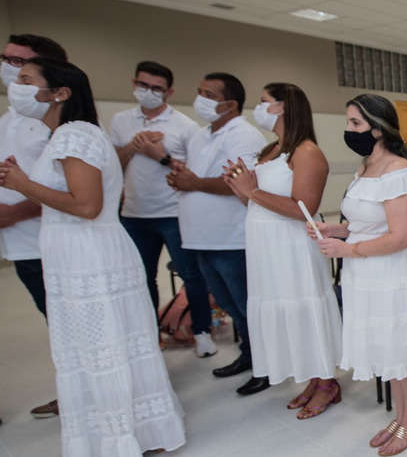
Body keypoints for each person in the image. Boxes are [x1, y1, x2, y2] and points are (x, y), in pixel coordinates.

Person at [0, 58, 185, 457]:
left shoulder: (74, 136)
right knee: (103, 345)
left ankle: (124, 438)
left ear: (60, 93)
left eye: (27, 80)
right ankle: (132, 432)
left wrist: (23, 184)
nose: (16, 86)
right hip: (78, 252)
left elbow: (87, 205)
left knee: (104, 346)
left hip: (89, 255)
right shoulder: (70, 135)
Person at [313, 94, 407, 454]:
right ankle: (401, 417)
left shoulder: (399, 171)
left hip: (390, 271)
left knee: (401, 345)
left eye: (355, 124)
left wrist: (347, 249)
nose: (348, 130)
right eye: (348, 123)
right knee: (387, 347)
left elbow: (400, 236)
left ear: (378, 129)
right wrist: (338, 231)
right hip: (363, 272)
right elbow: (364, 222)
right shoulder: (365, 167)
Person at [223, 82, 341, 411]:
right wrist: (237, 185)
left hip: (292, 246)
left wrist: (252, 191)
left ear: (283, 107)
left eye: (264, 102)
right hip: (266, 245)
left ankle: (327, 382)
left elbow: (301, 207)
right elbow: (256, 201)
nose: (258, 108)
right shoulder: (271, 149)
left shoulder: (307, 152)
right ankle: (311, 377)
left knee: (303, 308)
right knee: (283, 308)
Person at [0, 34, 68, 420]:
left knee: (68, 326)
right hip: (20, 246)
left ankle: (82, 393)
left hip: (46, 243)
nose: (9, 68)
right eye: (7, 59)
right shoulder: (9, 117)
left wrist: (12, 213)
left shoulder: (58, 125)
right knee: (57, 327)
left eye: (21, 65)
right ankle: (73, 390)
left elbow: (71, 190)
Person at [168, 73, 266, 390]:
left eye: (209, 94)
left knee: (247, 304)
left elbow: (240, 183)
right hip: (201, 237)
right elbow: (194, 175)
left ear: (230, 104)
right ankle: (249, 355)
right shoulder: (200, 135)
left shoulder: (244, 135)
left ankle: (264, 365)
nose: (201, 99)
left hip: (231, 237)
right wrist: (182, 178)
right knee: (229, 304)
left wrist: (192, 182)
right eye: (199, 91)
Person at [107, 60, 212, 353]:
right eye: (143, 85)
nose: (149, 92)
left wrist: (160, 156)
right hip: (135, 215)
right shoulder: (120, 121)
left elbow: (194, 172)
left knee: (191, 275)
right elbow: (113, 166)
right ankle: (149, 334)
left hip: (175, 213)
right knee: (142, 278)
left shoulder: (185, 126)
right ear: (134, 84)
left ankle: (202, 331)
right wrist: (133, 146)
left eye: (156, 88)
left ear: (169, 92)